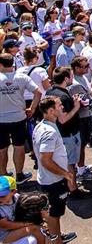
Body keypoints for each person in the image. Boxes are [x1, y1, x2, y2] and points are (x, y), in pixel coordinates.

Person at [32, 96, 75, 244]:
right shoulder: (49, 132)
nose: (62, 106)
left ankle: (57, 237)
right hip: (53, 182)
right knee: (53, 215)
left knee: (54, 214)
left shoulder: (42, 126)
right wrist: (65, 174)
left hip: (49, 179)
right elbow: (45, 160)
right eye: (58, 105)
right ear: (50, 111)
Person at [0, 53, 42, 185]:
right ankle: (19, 175)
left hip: (1, 119)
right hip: (19, 117)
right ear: (12, 63)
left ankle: (3, 175)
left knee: (2, 148)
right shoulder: (21, 77)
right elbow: (38, 92)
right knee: (19, 147)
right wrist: (32, 108)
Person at [68, 56, 92, 183]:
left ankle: (81, 166)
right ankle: (80, 170)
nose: (87, 68)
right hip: (81, 118)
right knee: (81, 144)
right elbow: (84, 101)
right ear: (76, 68)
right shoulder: (75, 84)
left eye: (87, 65)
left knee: (83, 144)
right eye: (84, 66)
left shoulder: (83, 77)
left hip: (86, 115)